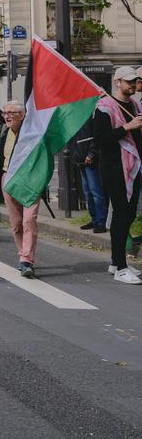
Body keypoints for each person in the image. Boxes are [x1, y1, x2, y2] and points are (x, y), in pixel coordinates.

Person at [94, 66, 142, 284]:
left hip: (134, 167)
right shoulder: (104, 107)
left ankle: (116, 262)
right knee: (122, 215)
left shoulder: (134, 104)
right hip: (115, 168)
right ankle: (121, 268)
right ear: (117, 82)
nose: (132, 85)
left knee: (129, 215)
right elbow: (101, 140)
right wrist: (127, 126)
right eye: (128, 81)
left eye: (135, 81)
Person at [0, 101, 39, 278]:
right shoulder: (4, 133)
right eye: (5, 112)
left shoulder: (32, 134)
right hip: (9, 179)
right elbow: (0, 158)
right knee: (16, 223)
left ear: (22, 115)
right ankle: (23, 255)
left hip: (30, 181)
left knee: (29, 220)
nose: (7, 115)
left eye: (12, 112)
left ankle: (27, 259)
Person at [73, 117, 106, 234]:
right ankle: (94, 219)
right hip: (81, 158)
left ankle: (101, 222)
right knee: (88, 192)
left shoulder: (90, 116)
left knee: (95, 191)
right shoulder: (77, 117)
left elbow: (96, 137)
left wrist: (92, 154)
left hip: (89, 159)